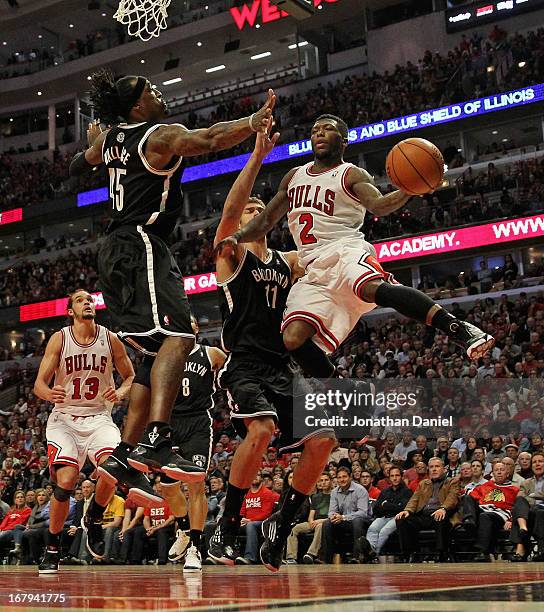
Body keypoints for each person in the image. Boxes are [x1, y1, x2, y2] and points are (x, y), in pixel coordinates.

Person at [69, 70, 275, 492]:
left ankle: (125, 455)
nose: (159, 93)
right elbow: (208, 140)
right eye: (150, 90)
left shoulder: (110, 141)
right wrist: (251, 123)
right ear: (137, 106)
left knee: (155, 353)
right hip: (142, 242)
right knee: (181, 335)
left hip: (115, 248)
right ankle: (158, 437)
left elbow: (79, 164)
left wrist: (94, 143)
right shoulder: (157, 135)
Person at [215, 113, 495, 399]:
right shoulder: (294, 176)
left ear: (344, 141)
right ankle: (345, 391)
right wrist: (237, 236)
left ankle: (459, 328)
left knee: (370, 288)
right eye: (315, 130)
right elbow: (266, 220)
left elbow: (379, 205)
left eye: (328, 129)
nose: (319, 133)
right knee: (293, 338)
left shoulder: (351, 173)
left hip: (345, 250)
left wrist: (407, 190)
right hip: (312, 266)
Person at [208, 119, 337, 572]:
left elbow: (330, 257)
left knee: (323, 440)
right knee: (260, 430)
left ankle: (281, 526)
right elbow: (229, 211)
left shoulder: (289, 261)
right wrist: (257, 157)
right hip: (243, 365)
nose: (254, 209)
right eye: (250, 209)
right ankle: (226, 524)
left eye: (261, 206)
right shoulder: (233, 252)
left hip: (281, 367)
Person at [33, 289, 137, 574]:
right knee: (66, 480)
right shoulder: (60, 338)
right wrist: (47, 393)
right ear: (70, 311)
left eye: (90, 300)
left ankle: (94, 515)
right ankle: (53, 546)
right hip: (64, 419)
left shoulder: (110, 338)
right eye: (80, 300)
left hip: (98, 417)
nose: (87, 303)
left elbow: (129, 375)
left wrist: (122, 390)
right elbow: (38, 384)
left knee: (113, 469)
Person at [133, 316, 227, 572]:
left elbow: (231, 371)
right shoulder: (163, 356)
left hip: (197, 424)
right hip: (169, 423)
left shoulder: (212, 353)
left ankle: (195, 547)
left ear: (197, 329)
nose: (189, 325)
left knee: (196, 484)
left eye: (193, 322)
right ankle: (184, 529)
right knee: (168, 488)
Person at [395, 458, 460, 562]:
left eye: (437, 466)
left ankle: (441, 554)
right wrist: (407, 510)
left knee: (440, 517)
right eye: (431, 467)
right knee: (402, 519)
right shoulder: (423, 483)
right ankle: (409, 554)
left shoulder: (452, 481)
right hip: (423, 515)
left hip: (443, 513)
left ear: (444, 469)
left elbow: (452, 498)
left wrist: (443, 508)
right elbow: (414, 499)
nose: (434, 469)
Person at [462, 461, 519, 562]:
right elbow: (471, 494)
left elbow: (518, 507)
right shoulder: (486, 486)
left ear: (507, 473)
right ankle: (469, 522)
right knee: (467, 498)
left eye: (502, 470)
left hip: (500, 514)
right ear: (492, 473)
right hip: (483, 510)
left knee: (484, 516)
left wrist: (511, 520)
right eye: (496, 470)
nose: (499, 472)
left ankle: (482, 551)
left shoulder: (514, 489)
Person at [322, 466, 370, 564]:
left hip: (361, 521)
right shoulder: (335, 492)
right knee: (327, 523)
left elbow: (362, 513)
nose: (342, 480)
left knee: (357, 521)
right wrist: (333, 517)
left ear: (350, 477)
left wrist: (343, 517)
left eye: (344, 477)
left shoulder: (360, 490)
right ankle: (327, 559)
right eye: (339, 477)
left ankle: (357, 557)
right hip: (343, 521)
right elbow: (331, 511)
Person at [364, 466, 412, 559]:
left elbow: (402, 508)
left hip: (397, 518)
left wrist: (386, 505)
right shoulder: (385, 491)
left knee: (384, 531)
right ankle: (370, 550)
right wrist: (391, 506)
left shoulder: (407, 491)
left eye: (397, 475)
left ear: (401, 476)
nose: (395, 478)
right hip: (384, 517)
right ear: (389, 478)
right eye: (392, 476)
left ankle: (374, 555)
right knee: (372, 528)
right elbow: (376, 508)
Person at [286, 472, 332, 564]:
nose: (323, 483)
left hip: (327, 522)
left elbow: (335, 514)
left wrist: (319, 521)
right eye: (321, 480)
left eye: (326, 480)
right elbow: (311, 514)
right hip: (314, 522)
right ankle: (291, 557)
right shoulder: (315, 497)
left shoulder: (334, 495)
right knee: (294, 529)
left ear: (331, 481)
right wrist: (311, 521)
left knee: (320, 526)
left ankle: (311, 554)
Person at [510, 452, 544, 562]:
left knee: (537, 511)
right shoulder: (526, 483)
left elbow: (527, 499)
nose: (537, 464)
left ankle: (522, 550)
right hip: (529, 513)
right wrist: (538, 497)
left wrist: (532, 496)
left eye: (540, 461)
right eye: (534, 462)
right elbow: (520, 498)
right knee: (519, 504)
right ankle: (523, 528)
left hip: (540, 511)